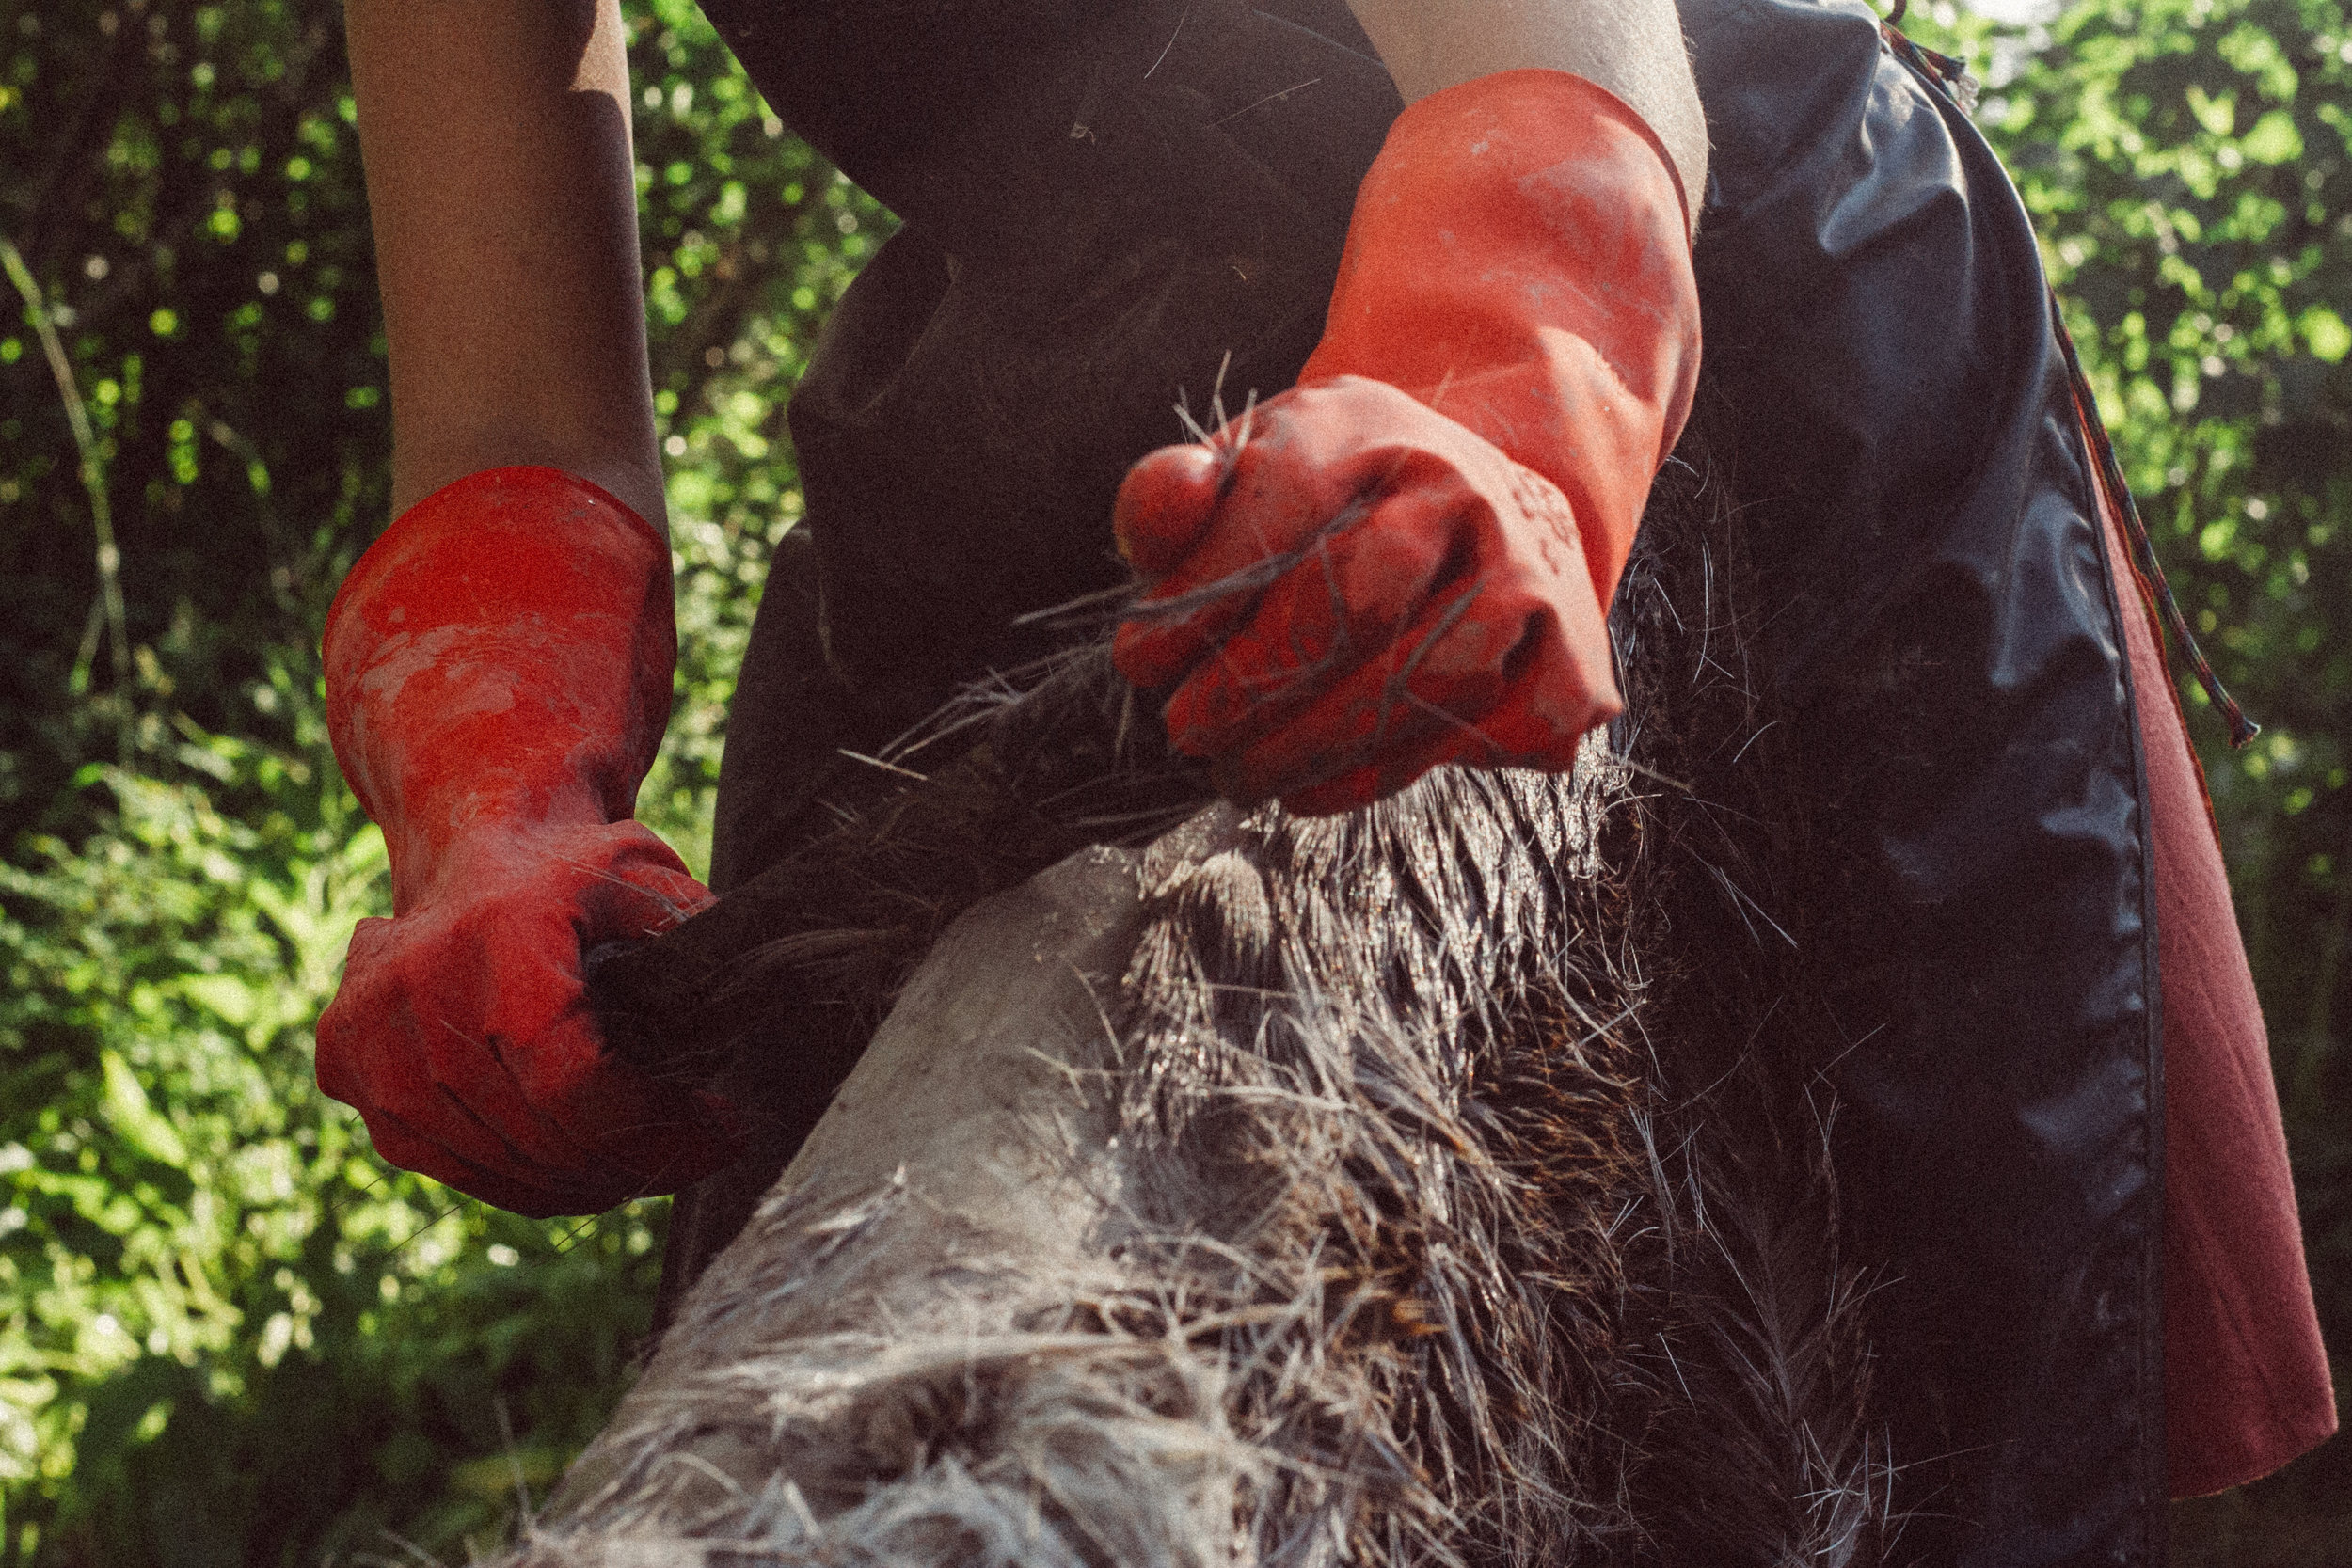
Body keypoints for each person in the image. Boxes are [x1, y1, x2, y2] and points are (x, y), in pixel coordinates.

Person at [318, 1, 2332, 1561]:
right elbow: (512, 420)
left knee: (1932, 1404)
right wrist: (492, 800)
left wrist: (1501, 369)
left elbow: (1557, 48)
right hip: (1016, 427)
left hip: (1677, 269)